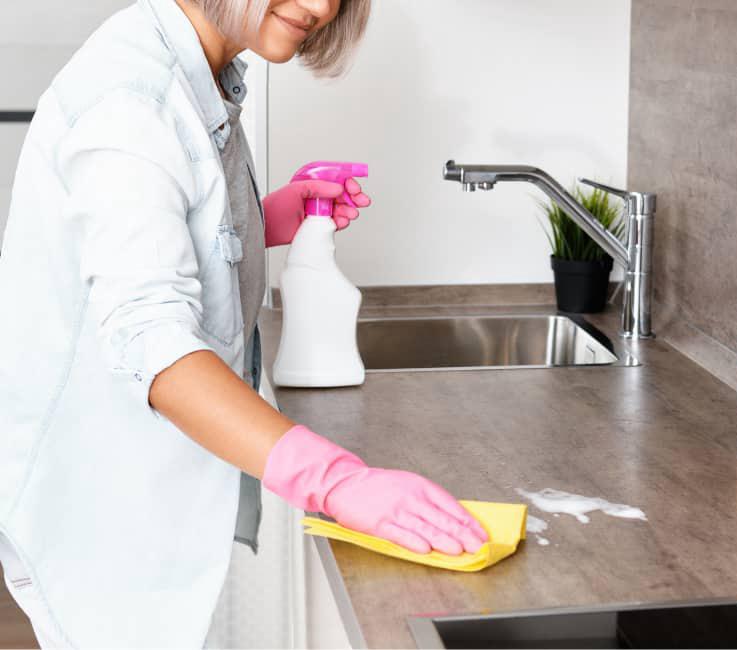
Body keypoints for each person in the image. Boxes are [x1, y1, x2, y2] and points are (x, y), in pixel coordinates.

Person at [0, 0, 487, 646]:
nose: (320, 6)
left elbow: (173, 234)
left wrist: (268, 217)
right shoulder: (131, 101)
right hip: (97, 529)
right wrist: (339, 481)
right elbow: (159, 349)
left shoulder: (201, 69)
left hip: (139, 509)